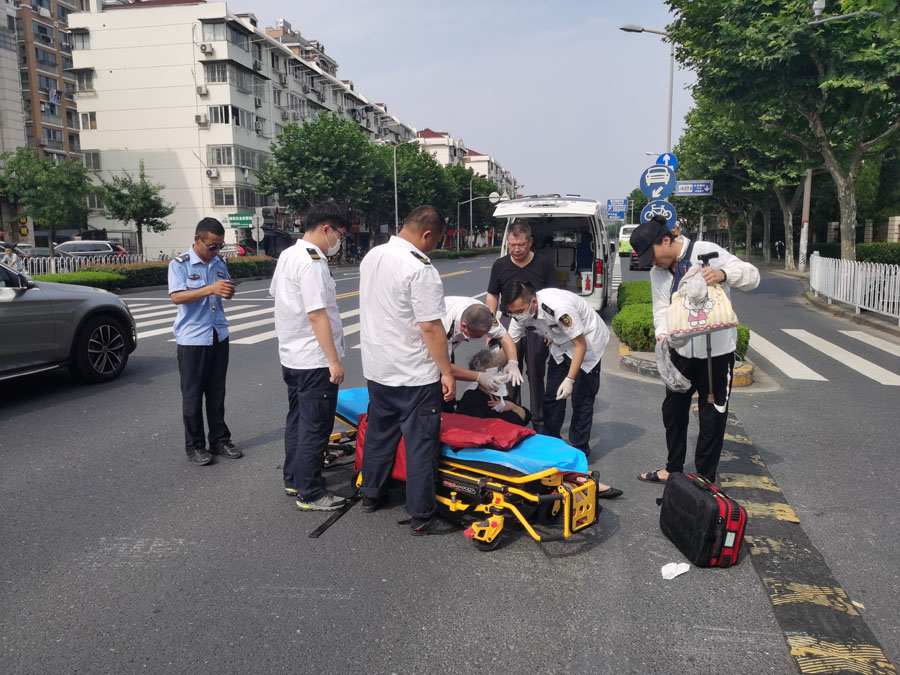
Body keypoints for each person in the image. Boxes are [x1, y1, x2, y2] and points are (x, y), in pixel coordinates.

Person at [630, 215, 760, 484]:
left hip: (716, 354)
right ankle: (673, 468)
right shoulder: (657, 273)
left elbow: (752, 277)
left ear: (666, 241)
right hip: (680, 353)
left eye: (652, 256)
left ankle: (704, 477)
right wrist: (662, 334)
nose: (652, 263)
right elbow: (661, 308)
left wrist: (724, 275)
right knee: (673, 412)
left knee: (712, 417)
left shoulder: (706, 251)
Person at [359, 205, 457, 536]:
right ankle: (421, 514)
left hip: (378, 368)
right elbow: (430, 327)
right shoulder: (420, 268)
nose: (435, 247)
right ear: (427, 234)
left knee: (379, 434)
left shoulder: (373, 256)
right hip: (413, 374)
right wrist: (446, 371)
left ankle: (371, 494)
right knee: (420, 445)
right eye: (437, 241)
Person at [270, 200, 349, 511]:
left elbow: (280, 298)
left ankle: (294, 479)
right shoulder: (313, 261)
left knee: (298, 421)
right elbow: (317, 314)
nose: (339, 241)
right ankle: (311, 492)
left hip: (292, 357)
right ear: (326, 229)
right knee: (316, 427)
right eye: (340, 234)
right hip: (314, 360)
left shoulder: (288, 255)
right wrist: (333, 361)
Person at [505, 282, 611, 459]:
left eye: (520, 311)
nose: (517, 315)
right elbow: (509, 342)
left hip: (586, 343)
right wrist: (504, 364)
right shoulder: (520, 315)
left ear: (533, 302)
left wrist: (570, 379)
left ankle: (579, 449)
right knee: (552, 396)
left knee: (581, 399)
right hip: (560, 344)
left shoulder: (559, 308)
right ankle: (551, 441)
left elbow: (580, 345)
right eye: (513, 312)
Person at [168, 218, 241, 466]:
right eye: (212, 246)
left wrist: (228, 291)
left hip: (218, 333)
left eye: (220, 246)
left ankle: (220, 440)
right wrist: (210, 289)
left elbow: (224, 291)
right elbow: (177, 297)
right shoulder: (180, 264)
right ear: (197, 239)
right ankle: (195, 445)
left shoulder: (220, 263)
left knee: (217, 392)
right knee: (192, 395)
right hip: (193, 338)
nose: (216, 251)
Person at [486, 220, 556, 431]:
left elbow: (552, 296)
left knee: (535, 373)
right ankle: (512, 419)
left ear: (530, 242)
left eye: (521, 245)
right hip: (509, 321)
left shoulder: (543, 263)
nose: (516, 249)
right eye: (512, 245)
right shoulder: (500, 265)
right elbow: (492, 295)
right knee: (509, 373)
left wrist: (551, 329)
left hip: (538, 322)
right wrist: (491, 325)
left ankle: (538, 423)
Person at [441, 297, 522, 410]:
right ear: (463, 326)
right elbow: (442, 366)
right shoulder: (443, 325)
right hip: (424, 349)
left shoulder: (484, 315)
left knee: (449, 393)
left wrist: (513, 362)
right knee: (439, 389)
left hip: (449, 343)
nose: (482, 338)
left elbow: (504, 336)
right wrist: (479, 377)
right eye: (478, 336)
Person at [457, 349, 532, 426]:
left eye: (499, 369)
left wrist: (513, 407)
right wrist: (517, 412)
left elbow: (527, 416)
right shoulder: (471, 397)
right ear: (482, 371)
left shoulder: (498, 393)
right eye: (496, 370)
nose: (499, 373)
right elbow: (495, 426)